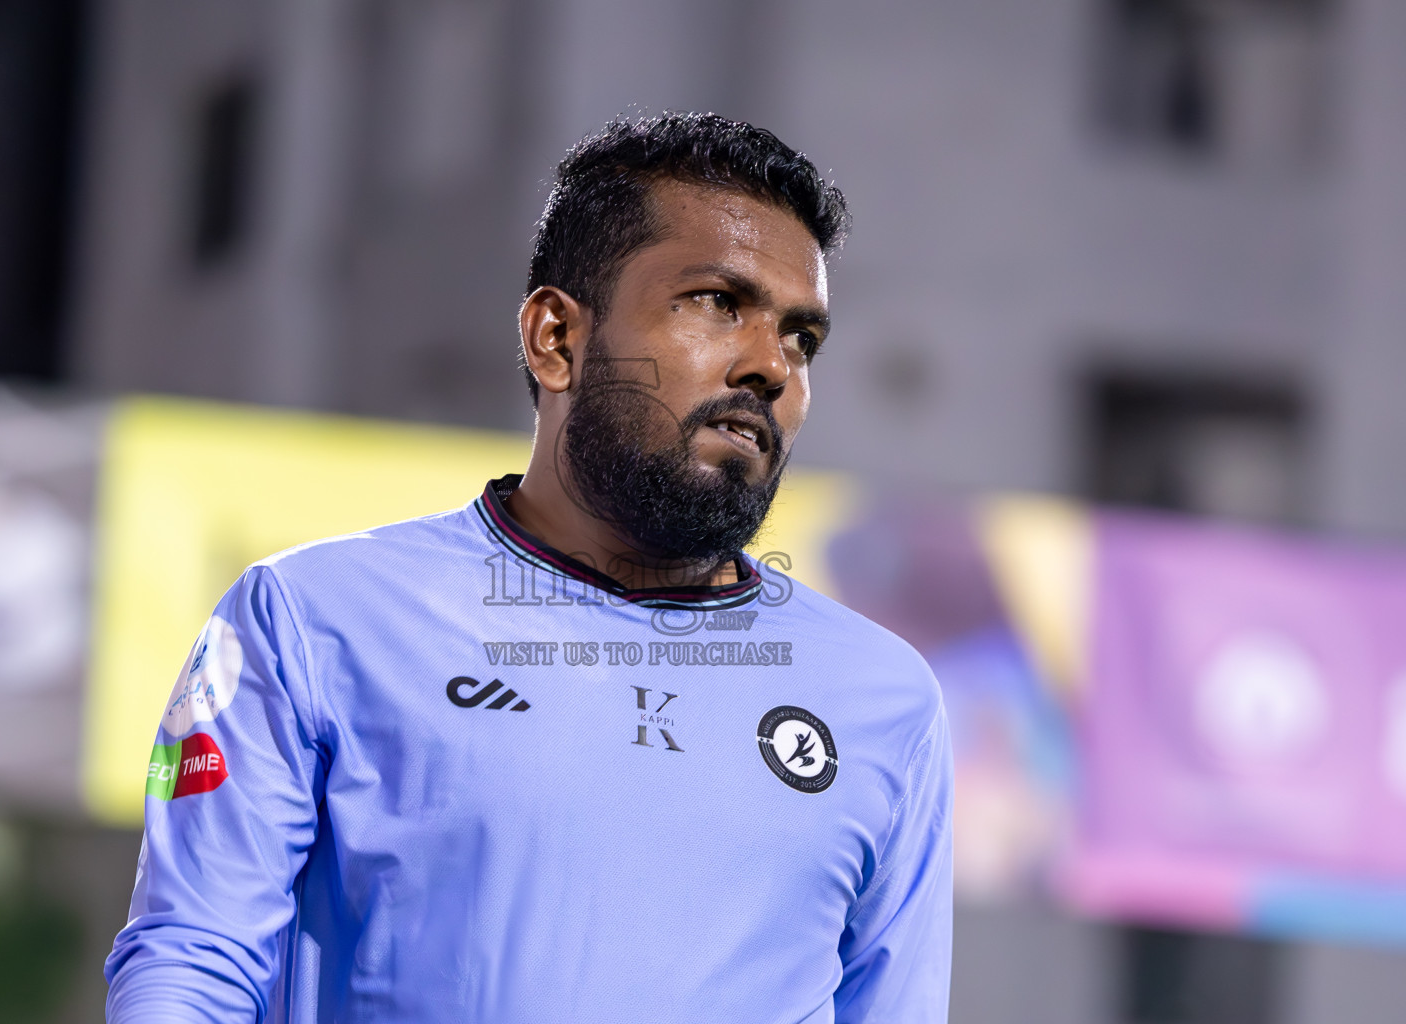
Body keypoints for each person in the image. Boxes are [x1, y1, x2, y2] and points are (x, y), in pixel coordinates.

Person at [105, 112, 953, 1023]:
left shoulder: (885, 700)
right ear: (556, 338)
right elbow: (191, 962)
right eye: (717, 302)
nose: (770, 368)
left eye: (801, 337)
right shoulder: (310, 620)